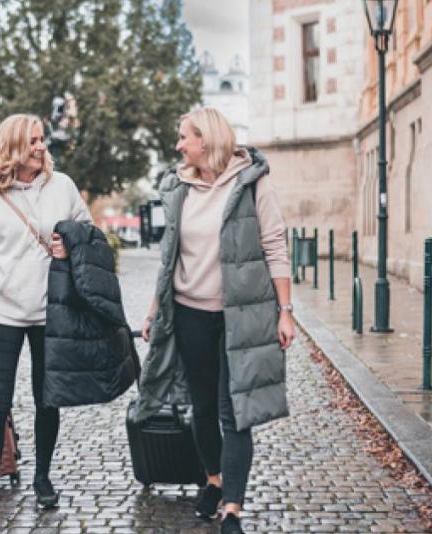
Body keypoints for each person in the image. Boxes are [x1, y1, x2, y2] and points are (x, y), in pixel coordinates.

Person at [134, 107, 294, 534]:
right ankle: (213, 478)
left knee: (235, 412)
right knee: (202, 408)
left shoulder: (251, 182)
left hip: (240, 317)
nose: (179, 144)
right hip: (189, 314)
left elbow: (275, 245)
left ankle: (233, 509)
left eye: (184, 136)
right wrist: (154, 310)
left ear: (205, 140)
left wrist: (285, 310)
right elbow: (170, 259)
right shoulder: (179, 187)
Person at [0, 113, 92, 532]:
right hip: (2, 313)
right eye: (32, 141)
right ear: (12, 147)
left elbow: (89, 231)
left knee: (48, 398)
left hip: (50, 311)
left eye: (42, 139)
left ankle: (42, 476)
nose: (41, 147)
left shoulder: (61, 186)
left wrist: (69, 243)